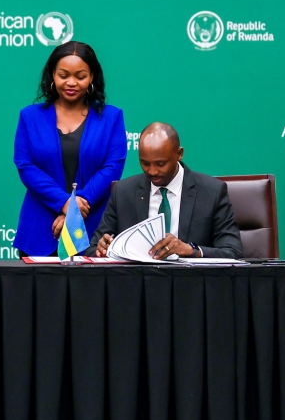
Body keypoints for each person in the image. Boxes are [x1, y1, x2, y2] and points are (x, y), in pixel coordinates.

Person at [13, 41, 127, 256]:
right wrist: (63, 202)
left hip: (94, 230)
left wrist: (73, 210)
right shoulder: (30, 116)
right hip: (40, 228)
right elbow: (25, 166)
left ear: (92, 76)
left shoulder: (112, 117)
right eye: (63, 75)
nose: (71, 82)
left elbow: (112, 167)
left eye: (80, 76)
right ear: (52, 75)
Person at [87, 122, 243, 259]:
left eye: (160, 164)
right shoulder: (122, 192)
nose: (152, 171)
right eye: (145, 163)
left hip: (190, 285)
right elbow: (94, 248)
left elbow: (232, 252)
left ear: (179, 154)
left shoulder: (212, 192)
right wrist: (104, 248)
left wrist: (191, 250)